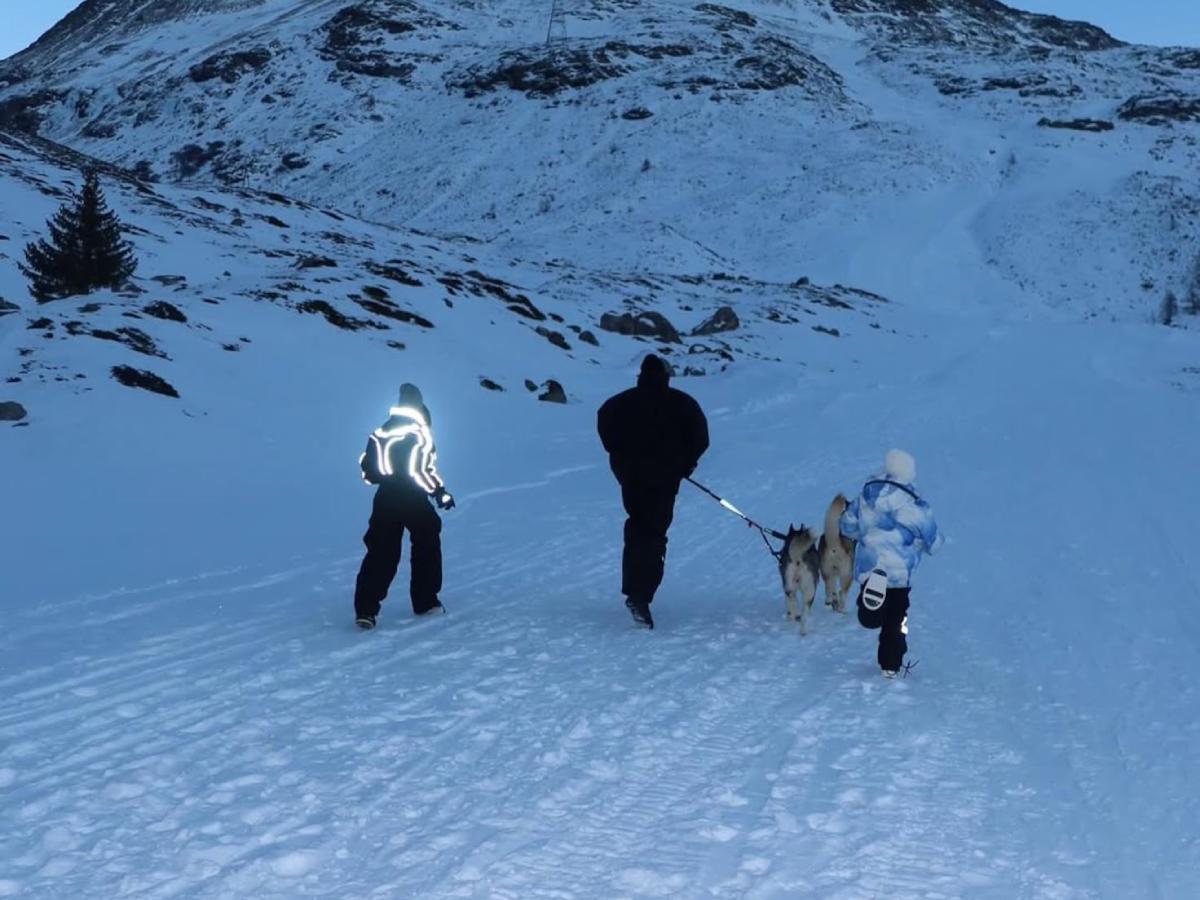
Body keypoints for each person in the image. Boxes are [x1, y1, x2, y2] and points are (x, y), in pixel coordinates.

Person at [597, 354, 709, 629]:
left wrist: (619, 458)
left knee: (637, 528)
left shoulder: (620, 402)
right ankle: (641, 596)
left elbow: (605, 424)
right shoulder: (682, 403)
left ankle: (636, 592)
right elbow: (701, 439)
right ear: (665, 377)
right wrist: (685, 465)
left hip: (631, 479)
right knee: (655, 533)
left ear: (641, 375)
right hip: (664, 481)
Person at [353, 383, 455, 630]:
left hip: (384, 497)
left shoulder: (380, 432)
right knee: (427, 542)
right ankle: (425, 602)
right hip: (411, 496)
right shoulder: (418, 432)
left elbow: (367, 473)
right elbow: (419, 470)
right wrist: (440, 493)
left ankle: (366, 610)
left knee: (380, 552)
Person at [840, 449, 943, 677]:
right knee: (897, 621)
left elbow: (846, 526)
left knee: (874, 613)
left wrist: (865, 533)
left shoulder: (866, 497)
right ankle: (891, 665)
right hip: (899, 576)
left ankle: (869, 612)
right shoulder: (915, 506)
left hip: (871, 568)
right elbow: (934, 543)